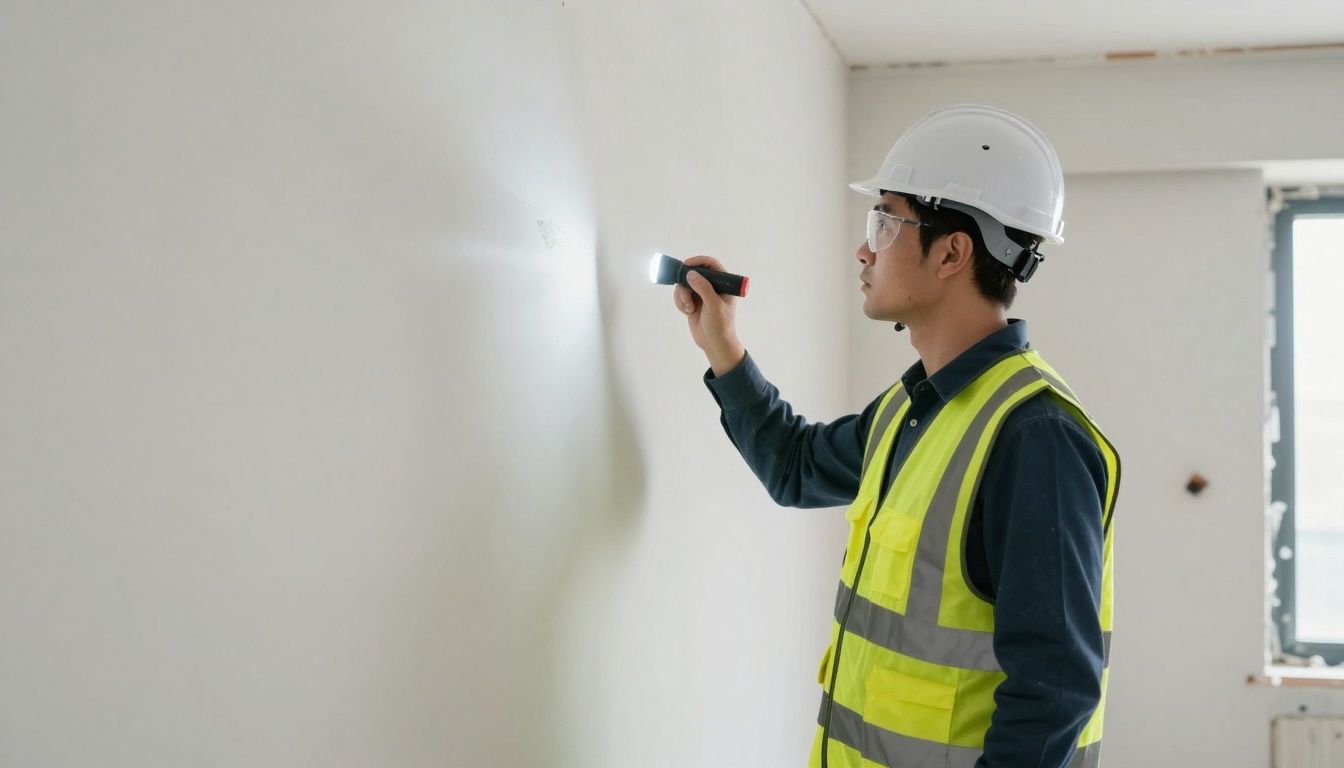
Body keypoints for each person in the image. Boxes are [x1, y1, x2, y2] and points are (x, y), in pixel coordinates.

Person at [673, 105, 1121, 768]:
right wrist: (723, 345)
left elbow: (1055, 691)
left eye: (885, 220)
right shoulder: (915, 410)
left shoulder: (1034, 438)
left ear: (951, 252)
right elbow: (794, 468)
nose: (864, 247)